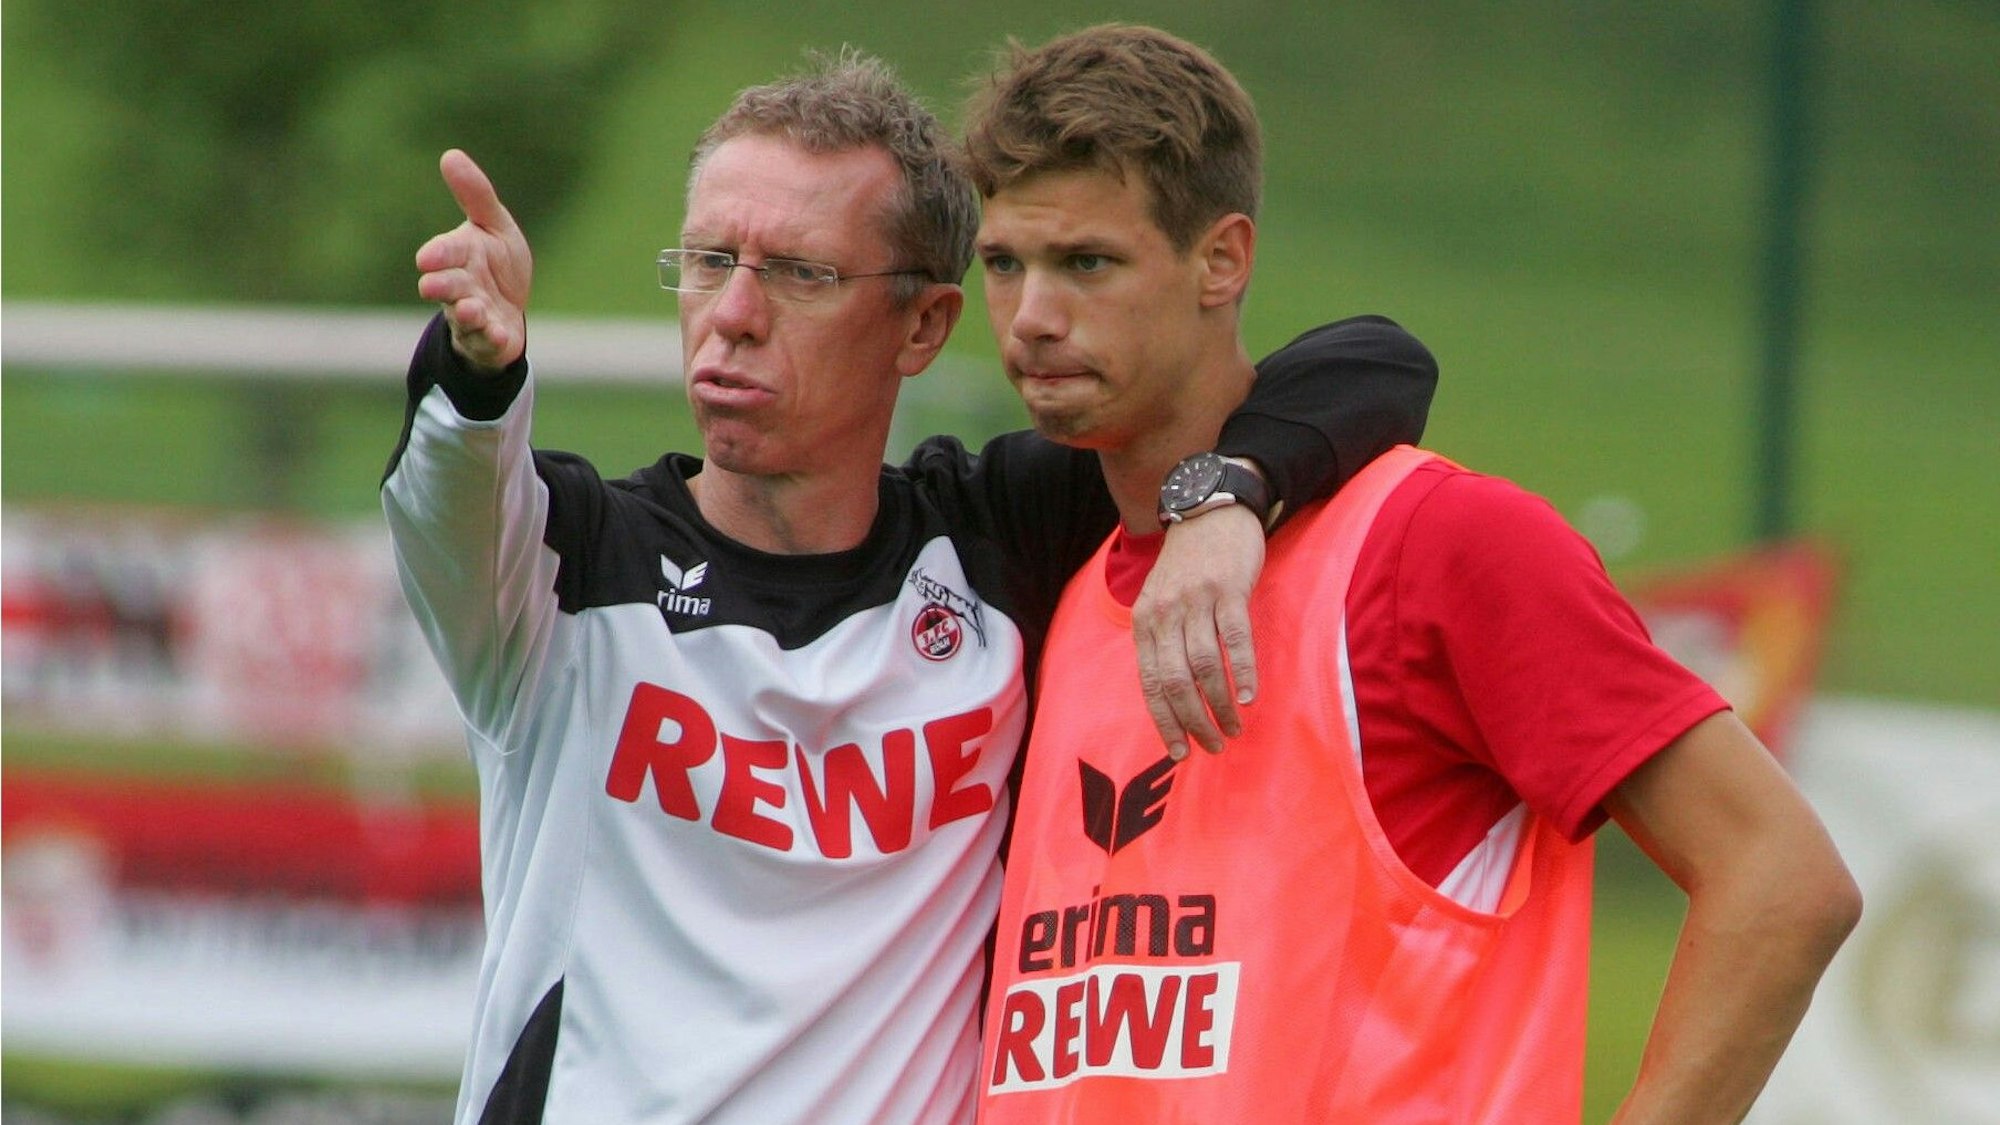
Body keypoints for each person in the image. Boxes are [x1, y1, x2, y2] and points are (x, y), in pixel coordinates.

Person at [382, 49, 1435, 1124]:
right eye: (708, 261)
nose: (733, 312)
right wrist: (479, 365)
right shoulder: (564, 568)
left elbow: (1373, 365)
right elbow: (450, 490)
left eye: (801, 273)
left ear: (923, 326)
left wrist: (1223, 496)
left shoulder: (996, 540)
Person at [965, 24, 1862, 1123]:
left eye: (1086, 263)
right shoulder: (1054, 591)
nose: (1032, 318)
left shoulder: (1432, 543)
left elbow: (1781, 879)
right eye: (1003, 264)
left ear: (1222, 260)